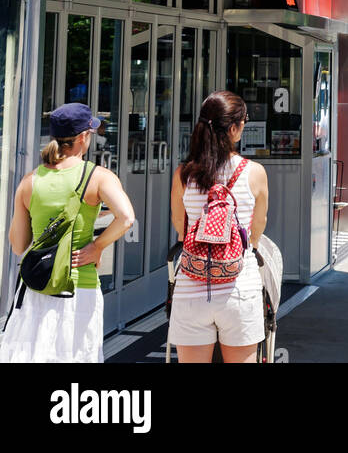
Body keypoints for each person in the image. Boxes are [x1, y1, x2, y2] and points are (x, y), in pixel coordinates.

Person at [1, 103, 135, 363]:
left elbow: (18, 246)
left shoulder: (29, 181)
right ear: (84, 137)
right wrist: (98, 246)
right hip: (79, 288)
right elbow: (126, 218)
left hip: (36, 289)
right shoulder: (98, 177)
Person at [168, 90, 268, 363]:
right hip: (239, 287)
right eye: (244, 121)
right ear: (234, 128)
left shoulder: (184, 174)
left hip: (191, 286)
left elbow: (181, 226)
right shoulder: (254, 172)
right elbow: (257, 228)